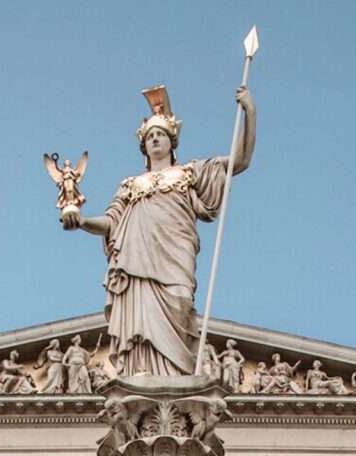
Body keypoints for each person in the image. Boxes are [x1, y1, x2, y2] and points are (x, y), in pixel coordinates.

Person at [63, 86, 256, 377]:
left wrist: (249, 112)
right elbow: (111, 222)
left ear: (171, 142)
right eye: (150, 136)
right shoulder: (130, 186)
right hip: (136, 265)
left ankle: (175, 380)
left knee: (180, 301)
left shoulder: (190, 174)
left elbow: (239, 161)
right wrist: (81, 221)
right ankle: (144, 379)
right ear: (144, 146)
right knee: (141, 328)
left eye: (160, 135)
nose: (155, 139)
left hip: (175, 258)